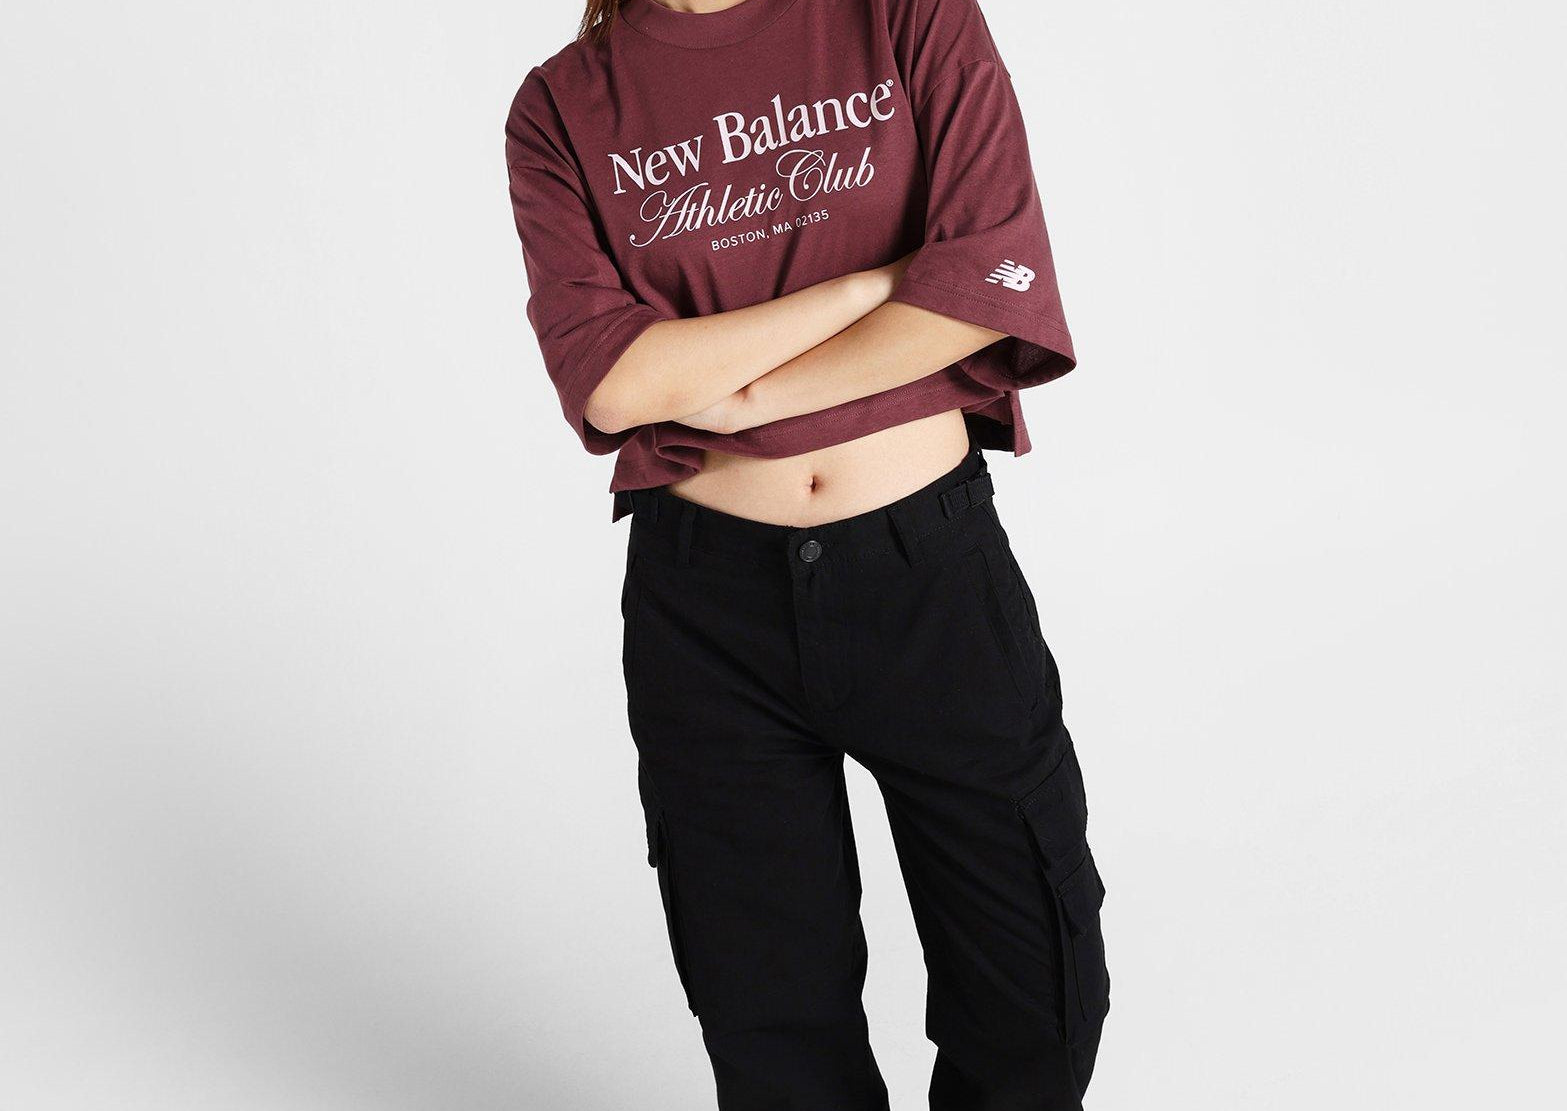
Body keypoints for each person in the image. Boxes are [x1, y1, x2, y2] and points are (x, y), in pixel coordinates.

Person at [503, 1, 1110, 1106]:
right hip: (707, 612)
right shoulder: (559, 106)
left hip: (930, 578)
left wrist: (742, 393)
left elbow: (985, 285)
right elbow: (614, 381)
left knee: (1033, 984)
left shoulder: (904, 14)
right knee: (767, 1015)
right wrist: (870, 285)